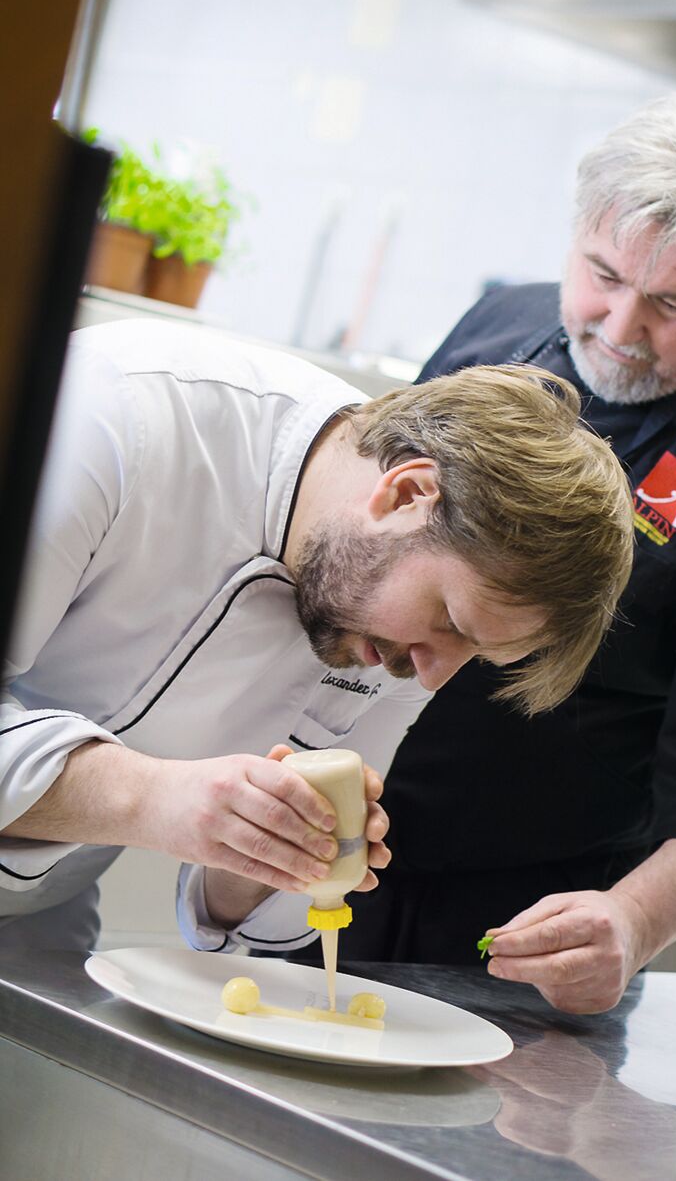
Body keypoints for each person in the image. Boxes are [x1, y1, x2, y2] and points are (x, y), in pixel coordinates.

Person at [333, 92, 676, 1013]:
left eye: (672, 304)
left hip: (522, 924)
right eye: (603, 274)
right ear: (575, 234)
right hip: (335, 837)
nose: (620, 327)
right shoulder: (497, 326)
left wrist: (628, 923)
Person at [0, 318, 634, 952]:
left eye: (478, 653)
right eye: (450, 622)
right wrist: (152, 799)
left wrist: (269, 849)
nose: (434, 674)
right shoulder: (114, 418)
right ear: (405, 494)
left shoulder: (403, 639)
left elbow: (258, 926)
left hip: (43, 905)